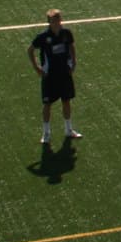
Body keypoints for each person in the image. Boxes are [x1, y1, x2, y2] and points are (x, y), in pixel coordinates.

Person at [29, 9, 82, 144]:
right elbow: (30, 50)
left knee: (66, 101)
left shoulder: (66, 33)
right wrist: (37, 68)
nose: (57, 23)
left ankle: (68, 129)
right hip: (49, 76)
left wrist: (74, 62)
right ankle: (46, 133)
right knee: (47, 104)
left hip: (64, 73)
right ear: (49, 22)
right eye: (54, 21)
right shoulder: (43, 37)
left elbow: (71, 46)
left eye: (58, 20)